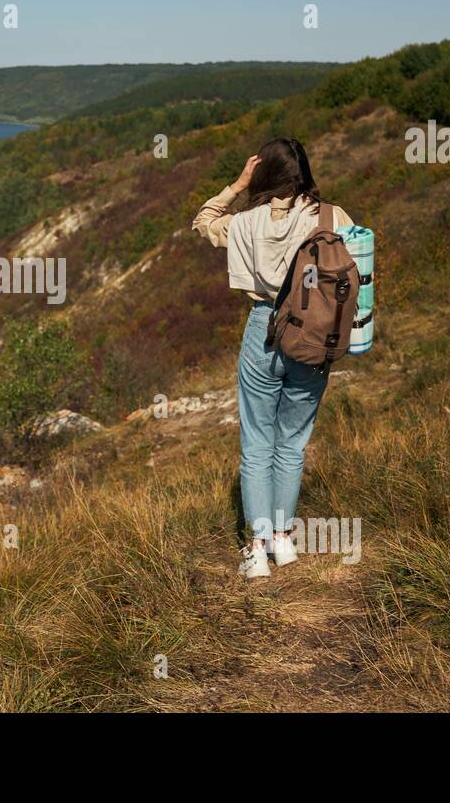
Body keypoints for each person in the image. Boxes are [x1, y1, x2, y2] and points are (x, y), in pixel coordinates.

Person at [192, 138, 353, 579]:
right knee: (293, 441)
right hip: (315, 334)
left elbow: (203, 219)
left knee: (257, 442)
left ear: (263, 174)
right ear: (303, 171)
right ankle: (283, 540)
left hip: (264, 331)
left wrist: (238, 185)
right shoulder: (331, 217)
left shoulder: (245, 223)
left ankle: (257, 550)